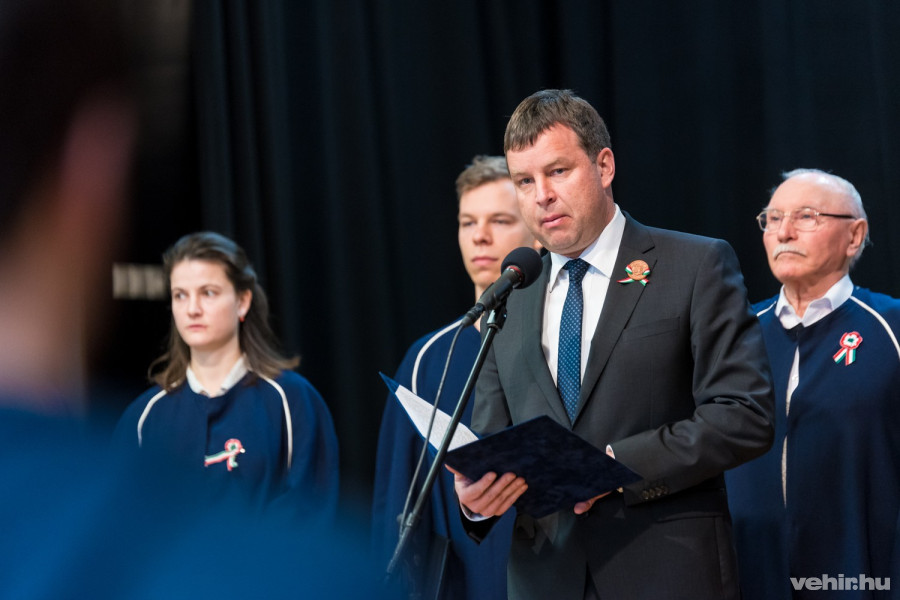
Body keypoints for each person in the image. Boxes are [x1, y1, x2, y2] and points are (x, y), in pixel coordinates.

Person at [450, 89, 775, 599]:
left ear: (603, 166)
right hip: (545, 579)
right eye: (524, 181)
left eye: (558, 171)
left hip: (666, 572)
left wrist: (615, 464)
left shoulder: (694, 265)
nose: (542, 195)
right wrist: (477, 498)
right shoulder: (512, 293)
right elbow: (495, 438)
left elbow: (744, 415)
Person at [725, 169, 900, 599]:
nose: (784, 233)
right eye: (772, 218)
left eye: (806, 217)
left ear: (854, 236)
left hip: (861, 573)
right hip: (749, 572)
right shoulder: (737, 333)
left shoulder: (891, 326)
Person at [372, 155, 541, 598]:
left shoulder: (563, 338)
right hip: (466, 580)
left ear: (536, 235)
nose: (480, 235)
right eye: (468, 222)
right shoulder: (429, 357)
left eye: (499, 220)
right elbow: (397, 498)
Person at [115, 231, 340, 523]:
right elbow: (121, 521)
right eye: (180, 295)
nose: (192, 309)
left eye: (208, 293)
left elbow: (309, 515)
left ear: (242, 301)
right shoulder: (142, 418)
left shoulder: (293, 401)